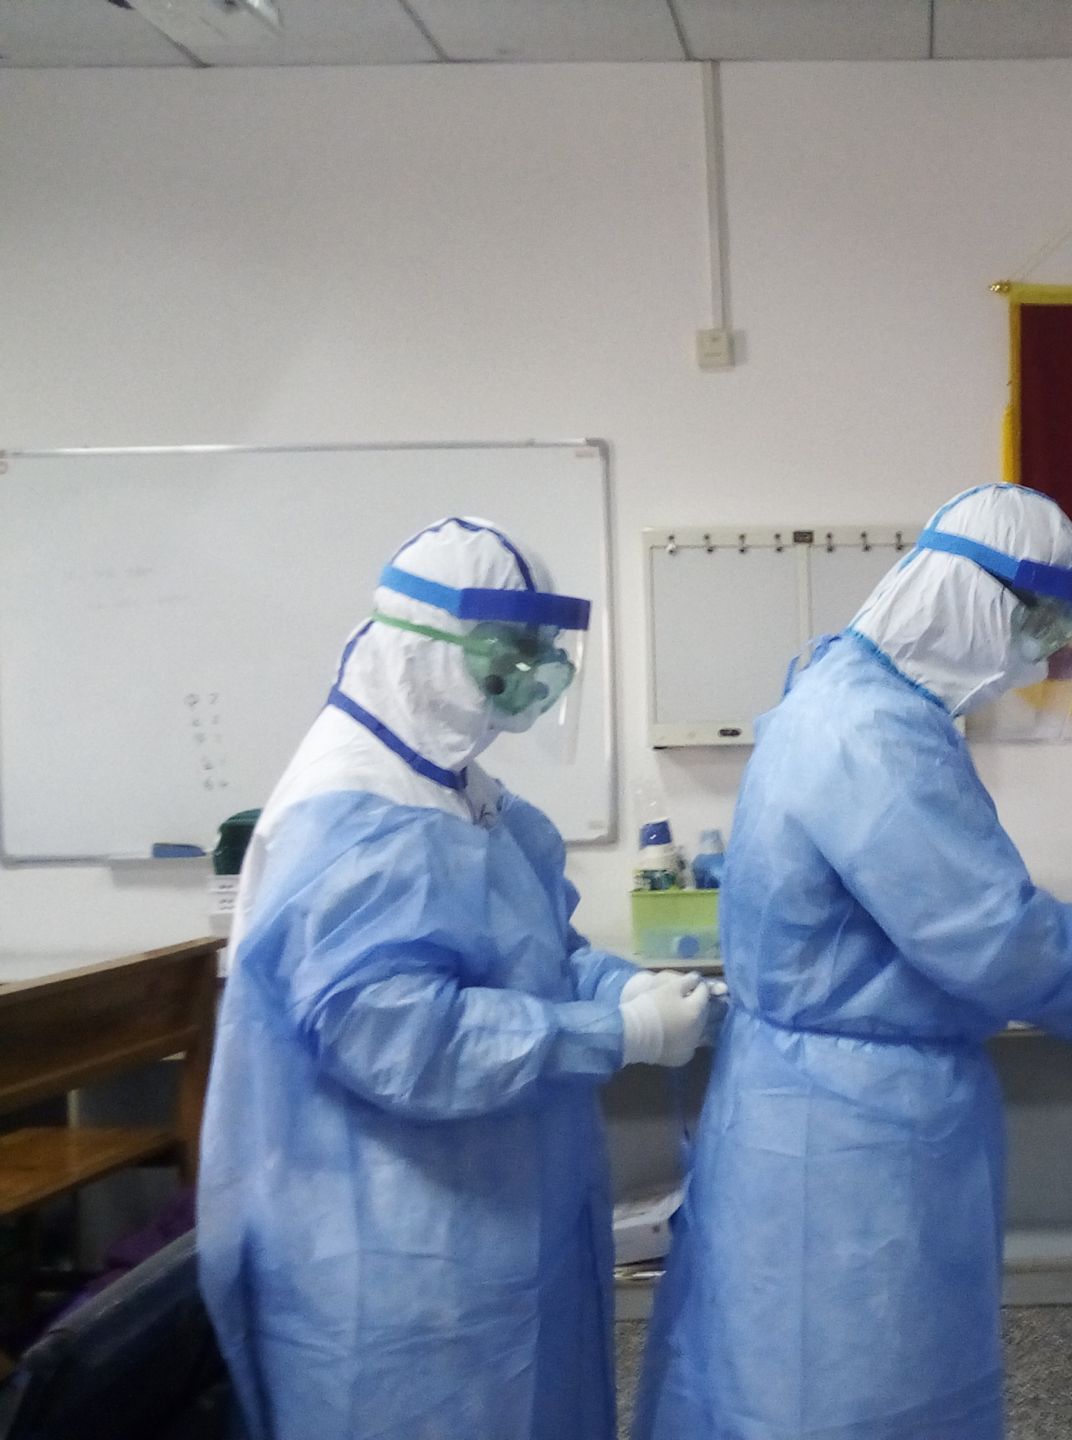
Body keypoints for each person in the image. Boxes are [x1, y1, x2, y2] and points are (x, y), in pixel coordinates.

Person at [634, 483, 1072, 1440]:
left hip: (836, 1099)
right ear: (968, 598)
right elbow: (985, 934)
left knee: (839, 1368)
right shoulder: (869, 730)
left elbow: (916, 938)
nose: (1041, 655)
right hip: (847, 1131)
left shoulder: (857, 698)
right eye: (1035, 622)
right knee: (848, 1385)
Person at [198, 517, 715, 1440]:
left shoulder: (462, 792)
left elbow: (542, 951)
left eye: (539, 652)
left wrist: (619, 988)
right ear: (422, 646)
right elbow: (396, 1034)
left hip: (492, 1221)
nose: (529, 677)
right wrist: (616, 1033)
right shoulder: (352, 810)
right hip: (396, 1255)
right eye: (506, 654)